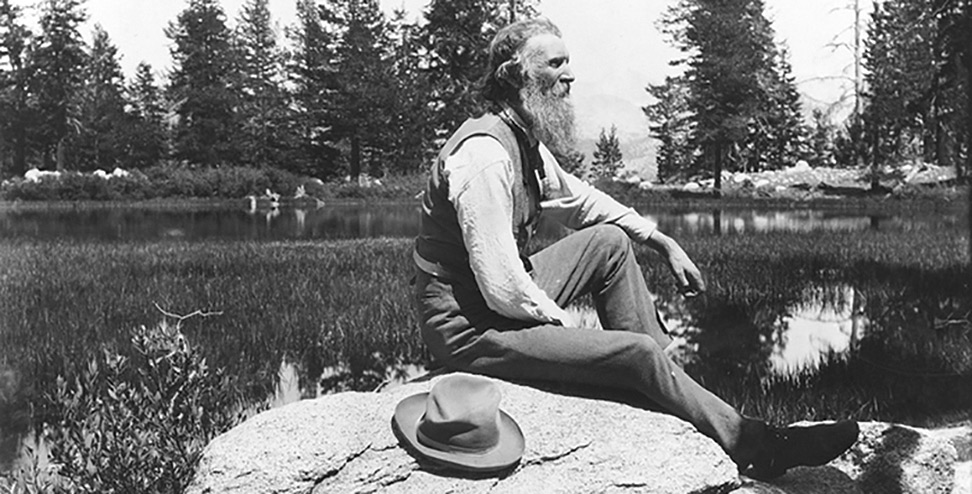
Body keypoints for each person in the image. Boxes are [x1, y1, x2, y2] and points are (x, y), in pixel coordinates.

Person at [411, 17, 858, 480]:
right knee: (634, 353)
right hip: (468, 327)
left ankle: (662, 382)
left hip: (494, 301)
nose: (570, 75)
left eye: (569, 63)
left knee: (610, 242)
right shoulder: (484, 155)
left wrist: (661, 240)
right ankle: (756, 444)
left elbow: (580, 201)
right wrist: (573, 337)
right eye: (556, 64)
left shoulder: (522, 139)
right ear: (514, 75)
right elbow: (503, 286)